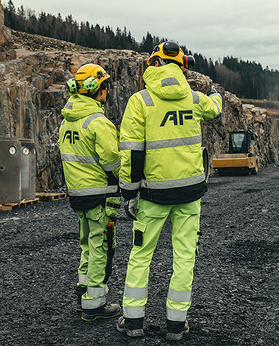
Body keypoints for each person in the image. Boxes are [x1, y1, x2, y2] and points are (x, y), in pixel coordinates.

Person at [117, 41, 222, 340]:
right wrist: (215, 95)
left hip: (152, 196)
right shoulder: (194, 98)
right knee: (185, 257)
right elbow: (214, 109)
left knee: (140, 255)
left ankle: (133, 321)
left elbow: (132, 153)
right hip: (190, 193)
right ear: (181, 66)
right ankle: (176, 324)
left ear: (154, 64)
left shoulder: (140, 101)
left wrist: (129, 193)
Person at [58, 63, 122, 321]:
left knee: (87, 244)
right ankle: (94, 304)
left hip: (78, 195)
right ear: (99, 90)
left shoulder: (67, 122)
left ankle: (84, 292)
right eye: (106, 86)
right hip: (100, 196)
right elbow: (112, 163)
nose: (107, 90)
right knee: (101, 247)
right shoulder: (99, 123)